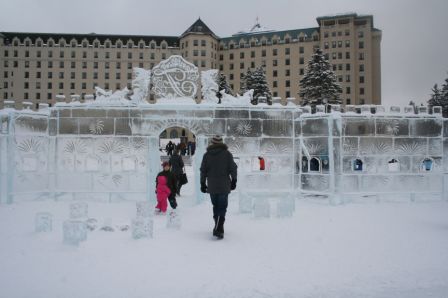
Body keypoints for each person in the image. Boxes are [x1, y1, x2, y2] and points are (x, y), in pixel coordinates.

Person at [200, 135, 237, 239]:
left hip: (212, 185)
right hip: (224, 185)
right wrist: (234, 180)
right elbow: (233, 168)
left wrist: (202, 183)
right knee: (222, 206)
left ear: (212, 143)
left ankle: (218, 226)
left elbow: (203, 170)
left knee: (215, 206)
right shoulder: (227, 154)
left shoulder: (206, 155)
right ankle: (219, 226)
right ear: (221, 143)